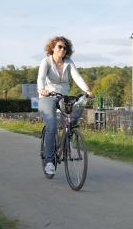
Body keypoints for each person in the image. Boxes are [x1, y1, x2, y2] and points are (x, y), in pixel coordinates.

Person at [37, 36, 92, 177]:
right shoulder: (46, 62)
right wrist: (42, 89)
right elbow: (41, 78)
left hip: (63, 96)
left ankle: (67, 142)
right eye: (60, 47)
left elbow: (77, 77)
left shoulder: (68, 62)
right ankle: (49, 162)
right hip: (47, 96)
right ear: (53, 48)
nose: (62, 49)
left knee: (72, 119)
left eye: (65, 47)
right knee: (52, 126)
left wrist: (87, 90)